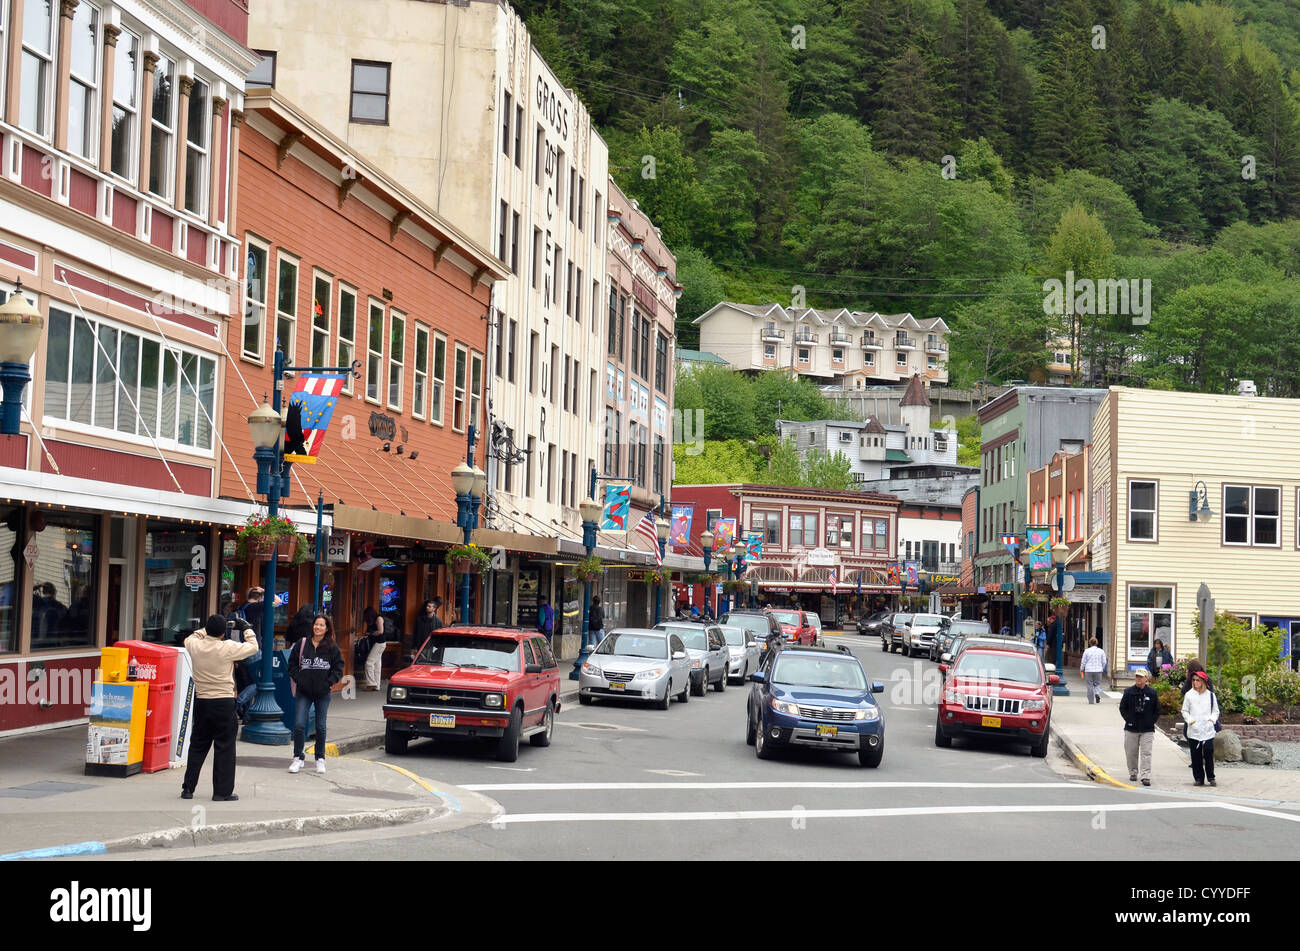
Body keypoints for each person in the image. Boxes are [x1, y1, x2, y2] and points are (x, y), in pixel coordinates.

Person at [182, 614, 258, 801]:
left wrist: (206, 629)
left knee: (198, 745)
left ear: (206, 630)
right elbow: (254, 648)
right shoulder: (227, 648)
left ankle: (188, 788)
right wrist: (246, 627)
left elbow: (191, 637)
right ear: (224, 633)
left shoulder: (195, 645)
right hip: (223, 702)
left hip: (202, 701)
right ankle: (221, 792)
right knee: (224, 747)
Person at [288, 614, 344, 775]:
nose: (318, 627)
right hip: (303, 691)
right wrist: (299, 679)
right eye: (316, 624)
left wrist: (328, 683)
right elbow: (292, 664)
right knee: (299, 725)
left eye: (321, 625)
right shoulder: (302, 643)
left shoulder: (332, 647)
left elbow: (338, 668)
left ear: (327, 628)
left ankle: (320, 759)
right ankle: (298, 757)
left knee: (320, 726)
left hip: (322, 693)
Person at [1120, 667, 1160, 786]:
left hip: (1147, 729)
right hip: (1131, 728)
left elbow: (1157, 710)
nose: (1138, 679)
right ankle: (1133, 772)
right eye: (1137, 676)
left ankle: (1145, 775)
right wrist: (1129, 719)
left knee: (1146, 753)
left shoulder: (1152, 693)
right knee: (1131, 752)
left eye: (1141, 677)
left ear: (1146, 678)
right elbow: (1122, 708)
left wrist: (1151, 721)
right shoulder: (1128, 692)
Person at [1182, 671, 1219, 787]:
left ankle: (1211, 777)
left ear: (1203, 681)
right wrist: (1191, 721)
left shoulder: (1210, 695)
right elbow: (1184, 711)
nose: (1195, 682)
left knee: (1208, 753)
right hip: (1194, 730)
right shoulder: (1189, 695)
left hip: (1207, 730)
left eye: (1197, 680)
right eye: (1193, 680)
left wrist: (1211, 720)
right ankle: (1198, 778)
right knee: (1195, 754)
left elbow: (1215, 711)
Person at [361, 607, 389, 691]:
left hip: (379, 643)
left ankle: (371, 683)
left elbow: (380, 631)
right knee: (377, 665)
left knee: (369, 663)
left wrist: (370, 633)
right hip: (378, 643)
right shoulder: (374, 619)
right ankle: (377, 685)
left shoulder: (379, 618)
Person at [1080, 637, 1108, 703]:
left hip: (1088, 670)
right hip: (1098, 670)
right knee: (1097, 684)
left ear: (1090, 643)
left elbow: (1083, 661)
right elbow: (1104, 661)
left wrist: (1082, 669)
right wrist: (1102, 668)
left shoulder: (1086, 651)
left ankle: (1091, 701)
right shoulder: (1101, 651)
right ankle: (1097, 694)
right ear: (1096, 643)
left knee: (1089, 685)